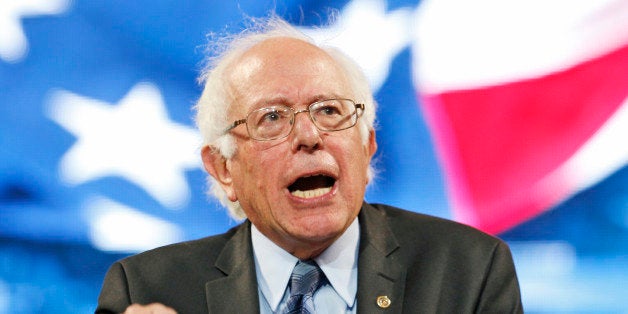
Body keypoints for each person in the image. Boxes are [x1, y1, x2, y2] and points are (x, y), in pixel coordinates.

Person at [95, 16, 523, 314]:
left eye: (330, 111)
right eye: (273, 118)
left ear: (367, 143)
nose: (309, 135)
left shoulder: (468, 270)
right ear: (223, 168)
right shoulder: (148, 289)